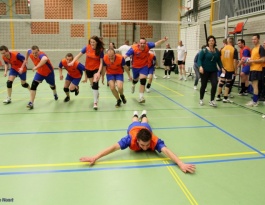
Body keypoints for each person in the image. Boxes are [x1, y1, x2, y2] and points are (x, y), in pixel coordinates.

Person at [80, 110, 196, 174]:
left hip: (146, 129)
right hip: (134, 128)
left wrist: (181, 164)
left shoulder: (154, 140)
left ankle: (144, 114)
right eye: (142, 145)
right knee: (135, 121)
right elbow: (113, 147)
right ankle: (135, 114)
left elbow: (166, 151)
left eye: (147, 145)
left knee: (145, 122)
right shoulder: (130, 139)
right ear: (137, 141)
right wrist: (95, 156)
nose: (145, 148)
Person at [124, 37, 168, 103]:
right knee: (135, 80)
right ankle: (133, 85)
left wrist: (164, 40)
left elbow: (157, 43)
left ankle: (141, 97)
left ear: (146, 43)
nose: (142, 45)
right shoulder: (133, 48)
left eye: (144, 43)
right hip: (135, 67)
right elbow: (125, 56)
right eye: (141, 43)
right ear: (139, 43)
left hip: (144, 66)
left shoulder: (148, 45)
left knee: (143, 80)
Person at [68, 36, 104, 110]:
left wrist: (98, 72)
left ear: (97, 42)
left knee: (95, 83)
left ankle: (95, 103)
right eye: (91, 42)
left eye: (93, 42)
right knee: (92, 85)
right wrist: (72, 62)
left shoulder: (100, 50)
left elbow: (101, 63)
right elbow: (78, 55)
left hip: (96, 69)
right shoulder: (86, 48)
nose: (92, 43)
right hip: (88, 69)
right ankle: (96, 93)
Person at [22, 45, 58, 110]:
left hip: (49, 73)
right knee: (33, 85)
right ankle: (31, 103)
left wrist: (36, 67)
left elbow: (45, 59)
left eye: (36, 52)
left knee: (52, 86)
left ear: (39, 51)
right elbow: (27, 51)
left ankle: (55, 93)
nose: (35, 54)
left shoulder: (42, 55)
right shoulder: (31, 53)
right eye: (33, 53)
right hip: (40, 73)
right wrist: (26, 59)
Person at [197, 35, 223, 107]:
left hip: (213, 71)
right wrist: (200, 67)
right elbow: (199, 60)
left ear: (214, 42)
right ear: (208, 42)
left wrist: (222, 67)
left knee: (214, 84)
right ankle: (201, 99)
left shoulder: (217, 51)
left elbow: (219, 61)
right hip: (205, 71)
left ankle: (212, 100)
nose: (211, 42)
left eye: (212, 40)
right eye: (210, 41)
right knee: (204, 85)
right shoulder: (204, 50)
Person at [216, 37, 238, 103]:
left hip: (223, 69)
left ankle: (218, 96)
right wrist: (235, 70)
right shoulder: (234, 49)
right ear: (232, 42)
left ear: (227, 42)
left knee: (221, 82)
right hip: (230, 69)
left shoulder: (222, 49)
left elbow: (218, 58)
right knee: (228, 83)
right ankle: (225, 98)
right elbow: (235, 61)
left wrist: (220, 66)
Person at [245, 34, 265, 107]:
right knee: (254, 85)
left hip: (257, 69)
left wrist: (252, 61)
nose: (253, 40)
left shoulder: (261, 48)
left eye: (255, 39)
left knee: (255, 86)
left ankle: (255, 101)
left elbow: (263, 59)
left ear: (258, 39)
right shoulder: (253, 49)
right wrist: (249, 62)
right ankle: (255, 100)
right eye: (252, 39)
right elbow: (252, 60)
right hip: (252, 69)